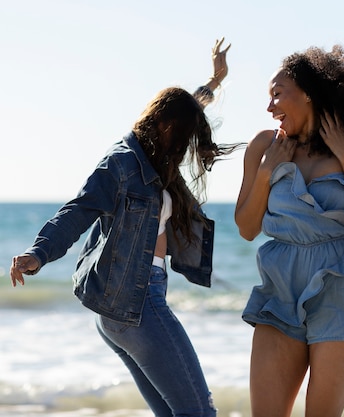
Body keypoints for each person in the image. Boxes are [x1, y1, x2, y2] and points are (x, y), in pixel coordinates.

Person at [9, 37, 240, 417]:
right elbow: (78, 211)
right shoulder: (121, 164)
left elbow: (189, 106)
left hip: (130, 306)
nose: (183, 149)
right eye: (181, 137)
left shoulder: (155, 155)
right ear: (163, 125)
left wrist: (215, 82)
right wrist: (39, 253)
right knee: (199, 412)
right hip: (136, 304)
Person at [234, 40, 344, 417]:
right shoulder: (264, 146)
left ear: (309, 94)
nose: (270, 106)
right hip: (280, 284)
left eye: (278, 94)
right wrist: (266, 171)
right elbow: (246, 228)